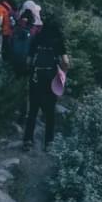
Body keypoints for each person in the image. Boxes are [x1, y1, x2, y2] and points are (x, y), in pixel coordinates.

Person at [23, 9, 69, 152]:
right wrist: (63, 74)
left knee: (33, 110)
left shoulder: (37, 37)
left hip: (36, 77)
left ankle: (28, 141)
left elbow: (28, 61)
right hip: (51, 78)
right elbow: (65, 62)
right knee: (50, 112)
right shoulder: (58, 39)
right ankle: (49, 143)